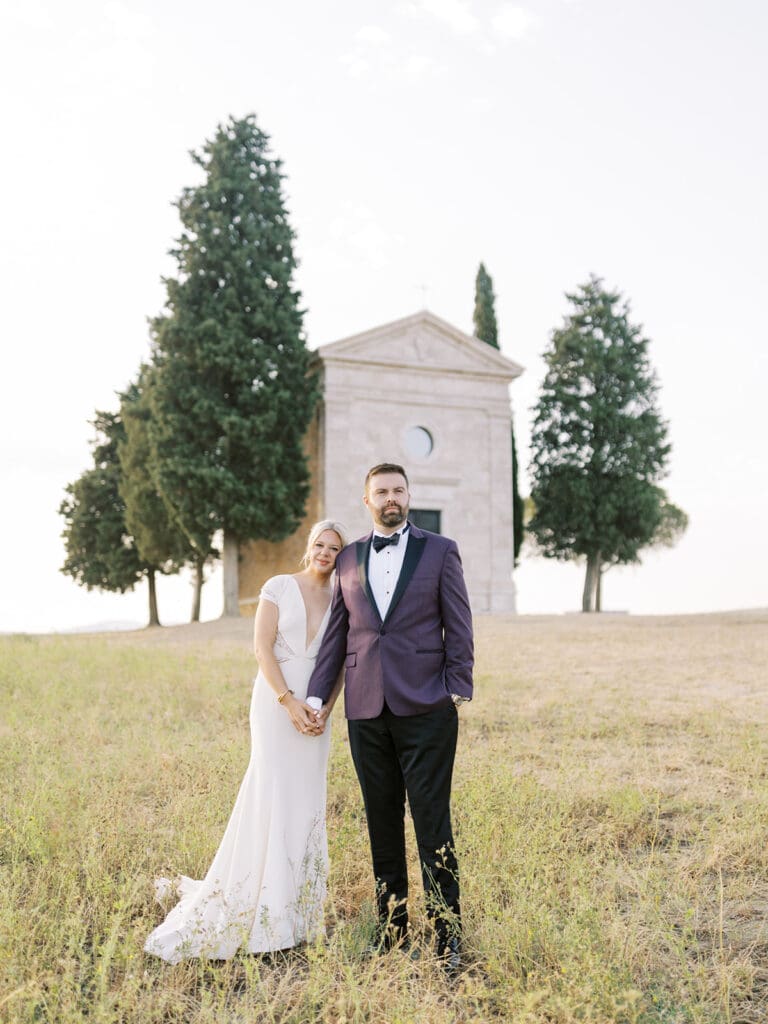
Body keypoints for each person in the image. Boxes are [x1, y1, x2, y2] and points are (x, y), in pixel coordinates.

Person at [144, 520, 347, 963]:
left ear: (341, 555)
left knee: (307, 796)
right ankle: (258, 901)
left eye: (334, 548)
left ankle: (299, 910)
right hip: (275, 703)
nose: (325, 553)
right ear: (307, 547)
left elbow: (340, 663)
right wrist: (288, 701)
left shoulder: (342, 599)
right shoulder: (278, 586)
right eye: (319, 544)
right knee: (270, 789)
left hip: (317, 711)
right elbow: (262, 649)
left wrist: (325, 709)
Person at [307, 463, 473, 974]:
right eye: (381, 491)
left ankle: (449, 937)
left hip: (427, 709)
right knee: (381, 825)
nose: (391, 498)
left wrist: (457, 688)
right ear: (367, 501)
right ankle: (392, 930)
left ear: (409, 496)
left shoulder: (440, 550)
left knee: (432, 825)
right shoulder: (350, 557)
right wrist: (317, 697)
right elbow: (339, 631)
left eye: (398, 490)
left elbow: (459, 622)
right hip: (365, 710)